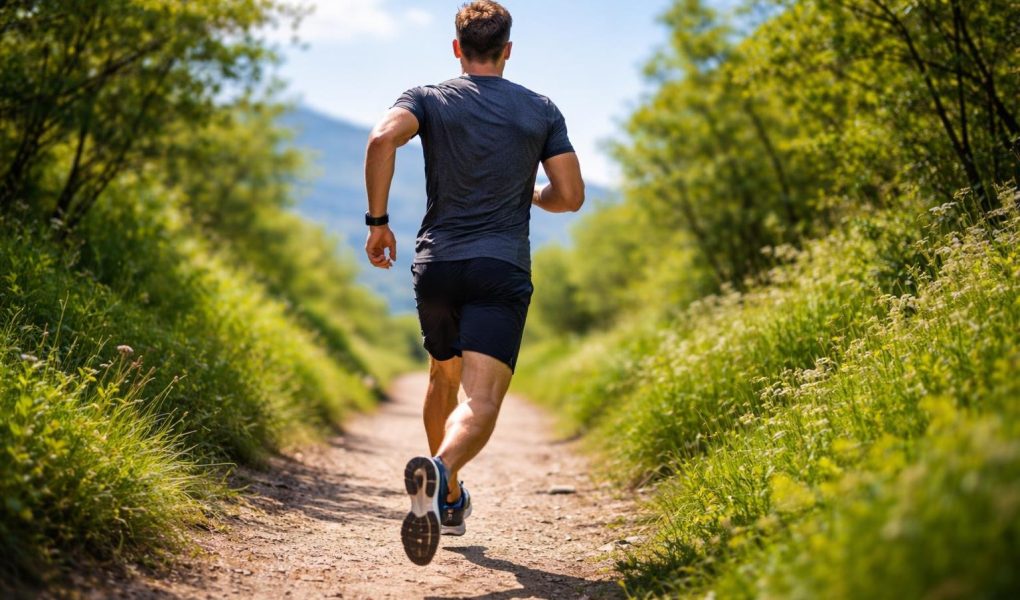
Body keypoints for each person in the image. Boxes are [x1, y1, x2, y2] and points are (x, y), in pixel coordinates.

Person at [362, 0, 584, 566]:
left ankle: (450, 497)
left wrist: (378, 223)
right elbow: (570, 196)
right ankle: (440, 470)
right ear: (507, 50)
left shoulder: (427, 98)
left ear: (457, 49)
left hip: (436, 266)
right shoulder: (540, 110)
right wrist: (530, 192)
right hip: (499, 267)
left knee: (444, 376)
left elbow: (381, 140)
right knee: (479, 399)